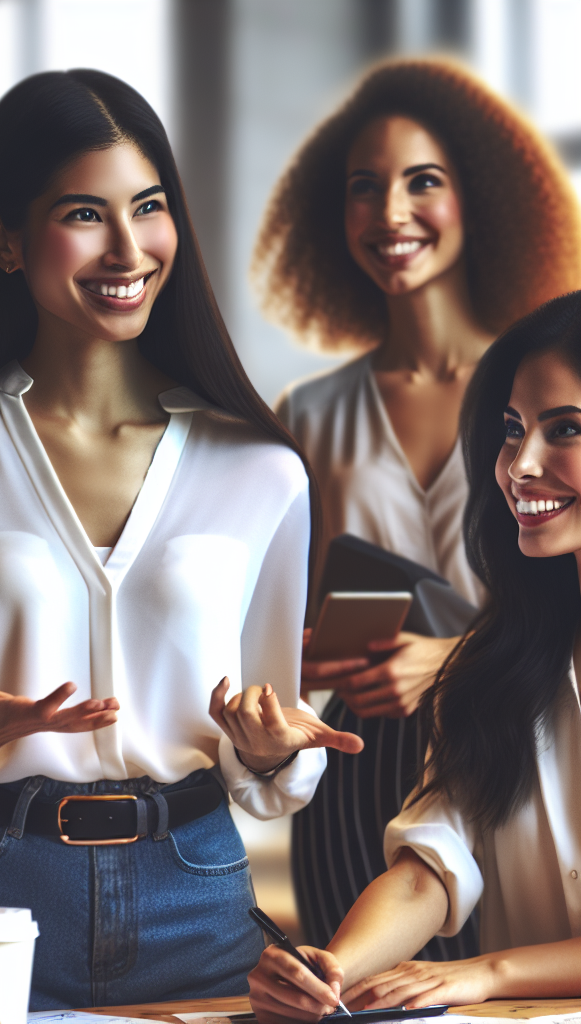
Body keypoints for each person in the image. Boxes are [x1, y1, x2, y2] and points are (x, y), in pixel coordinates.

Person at [0, 69, 364, 1010]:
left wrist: (272, 748)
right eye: (84, 212)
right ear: (3, 238)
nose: (128, 247)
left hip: (195, 882)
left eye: (148, 208)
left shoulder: (262, 471)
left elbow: (271, 759)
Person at [251, 57, 581, 958]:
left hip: (511, 713)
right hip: (373, 758)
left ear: (484, 197)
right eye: (366, 188)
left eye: (422, 181)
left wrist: (452, 658)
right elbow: (288, 626)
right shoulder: (310, 414)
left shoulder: (541, 371)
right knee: (365, 980)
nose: (391, 212)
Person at [247, 289, 581, 1021]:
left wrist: (488, 973)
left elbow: (480, 967)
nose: (521, 465)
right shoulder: (492, 669)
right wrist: (332, 966)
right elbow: (428, 869)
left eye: (566, 430)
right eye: (511, 430)